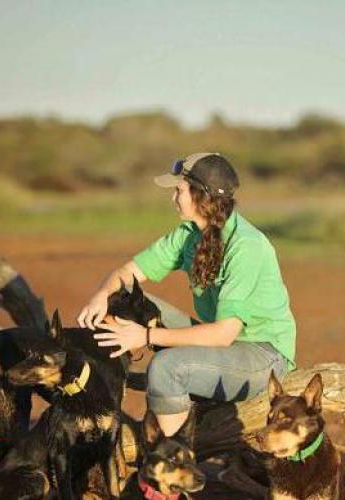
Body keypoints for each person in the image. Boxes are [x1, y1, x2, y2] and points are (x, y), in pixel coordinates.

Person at [77, 152, 296, 437]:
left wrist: (144, 337)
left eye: (178, 191)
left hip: (262, 353)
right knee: (123, 299)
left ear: (201, 195)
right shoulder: (189, 233)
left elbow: (223, 335)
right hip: (219, 341)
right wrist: (100, 296)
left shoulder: (247, 246)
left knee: (167, 367)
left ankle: (172, 463)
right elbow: (126, 274)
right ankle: (99, 406)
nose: (173, 198)